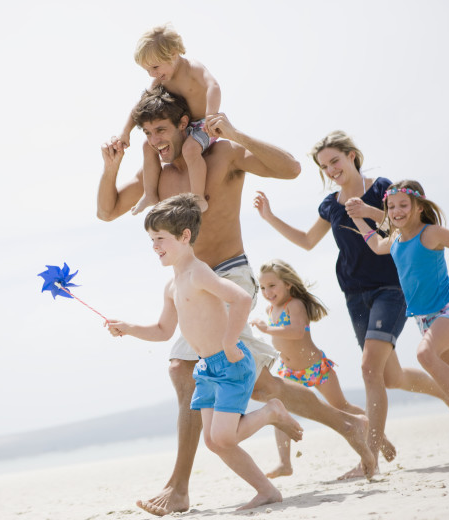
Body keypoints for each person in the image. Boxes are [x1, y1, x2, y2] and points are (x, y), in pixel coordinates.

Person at [97, 88, 376, 516]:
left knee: (183, 370)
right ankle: (349, 424)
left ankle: (179, 487)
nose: (155, 140)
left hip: (228, 273)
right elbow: (106, 210)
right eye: (148, 133)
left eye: (162, 130)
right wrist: (111, 168)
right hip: (190, 285)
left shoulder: (222, 154)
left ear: (182, 125)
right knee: (259, 384)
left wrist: (236, 132)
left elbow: (291, 168)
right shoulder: (157, 176)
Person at [253, 130, 449, 479]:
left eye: (335, 160)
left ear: (352, 155)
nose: (331, 169)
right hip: (354, 293)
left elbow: (404, 224)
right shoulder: (330, 204)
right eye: (324, 166)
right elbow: (306, 241)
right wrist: (270, 217)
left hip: (391, 287)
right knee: (389, 375)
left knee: (367, 369)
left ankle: (370, 458)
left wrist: (369, 211)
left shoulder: (382, 188)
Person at [106, 194, 303, 511]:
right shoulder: (172, 286)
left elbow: (239, 298)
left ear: (184, 237)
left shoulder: (199, 273)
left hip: (230, 363)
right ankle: (266, 490)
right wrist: (128, 328)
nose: (155, 246)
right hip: (206, 370)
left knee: (223, 438)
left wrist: (228, 342)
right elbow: (163, 331)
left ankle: (272, 412)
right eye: (151, 240)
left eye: (160, 239)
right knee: (214, 441)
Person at [351, 180, 449, 447]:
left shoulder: (431, 233)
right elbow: (377, 245)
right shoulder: (397, 240)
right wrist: (359, 219)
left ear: (419, 206)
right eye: (391, 206)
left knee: (424, 354)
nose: (397, 211)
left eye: (403, 205)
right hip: (427, 320)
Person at [249, 259, 395, 478]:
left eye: (272, 285)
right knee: (279, 410)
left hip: (316, 367)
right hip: (290, 371)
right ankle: (285, 463)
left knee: (341, 405)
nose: (267, 292)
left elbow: (297, 332)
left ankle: (379, 438)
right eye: (262, 288)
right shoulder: (271, 308)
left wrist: (267, 328)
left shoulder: (294, 304)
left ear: (288, 284)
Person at [118, 24, 221, 216]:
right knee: (147, 146)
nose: (152, 74)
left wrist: (212, 116)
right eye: (147, 70)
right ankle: (150, 194)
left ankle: (198, 197)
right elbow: (140, 105)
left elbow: (213, 87)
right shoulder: (161, 80)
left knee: (190, 149)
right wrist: (125, 132)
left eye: (155, 67)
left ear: (173, 54)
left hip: (203, 125)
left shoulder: (193, 68)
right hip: (182, 125)